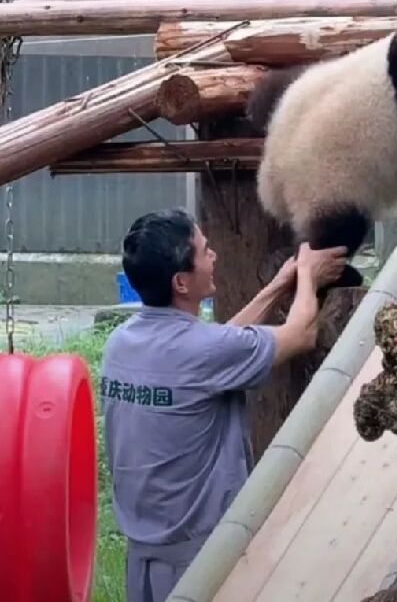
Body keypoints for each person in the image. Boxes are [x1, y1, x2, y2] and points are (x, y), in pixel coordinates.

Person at [100, 208, 348, 602]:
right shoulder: (204, 351)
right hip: (200, 557)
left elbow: (215, 353)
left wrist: (279, 285)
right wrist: (307, 277)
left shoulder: (122, 344)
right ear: (181, 282)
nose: (213, 256)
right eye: (204, 250)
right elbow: (300, 334)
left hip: (145, 547)